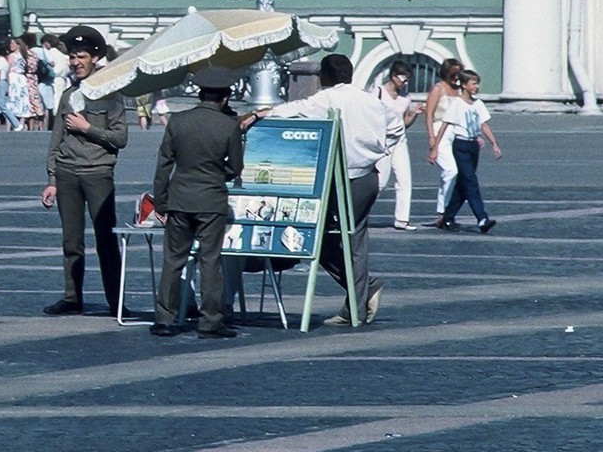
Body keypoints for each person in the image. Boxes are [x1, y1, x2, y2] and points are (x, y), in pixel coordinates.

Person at [250, 53, 401, 327]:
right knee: (355, 239)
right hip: (367, 177)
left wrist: (261, 113)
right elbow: (396, 127)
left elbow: (293, 109)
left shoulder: (327, 98)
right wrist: (377, 148)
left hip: (340, 179)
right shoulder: (370, 100)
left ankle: (362, 293)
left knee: (322, 239)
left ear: (326, 76)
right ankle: (357, 302)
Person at [39, 25, 132, 317]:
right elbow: (56, 139)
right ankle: (71, 297)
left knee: (106, 240)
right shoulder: (68, 95)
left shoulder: (111, 95)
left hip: (97, 173)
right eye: (73, 57)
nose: (76, 62)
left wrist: (88, 128)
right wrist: (52, 179)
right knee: (71, 241)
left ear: (95, 58)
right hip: (67, 173)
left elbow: (121, 138)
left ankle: (116, 301)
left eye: (81, 57)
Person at [149, 66, 245, 340]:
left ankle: (164, 319)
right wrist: (217, 174)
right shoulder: (229, 126)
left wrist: (161, 202)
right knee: (210, 261)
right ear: (226, 97)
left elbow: (163, 165)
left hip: (179, 198)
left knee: (173, 260)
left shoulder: (178, 121)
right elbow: (236, 167)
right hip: (212, 200)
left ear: (199, 94)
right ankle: (210, 321)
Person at [433, 69, 503, 233]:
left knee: (462, 186)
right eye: (473, 83)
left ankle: (447, 218)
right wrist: (434, 147)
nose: (476, 86)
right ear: (464, 85)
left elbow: (483, 124)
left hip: (473, 146)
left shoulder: (478, 104)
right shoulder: (456, 104)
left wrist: (494, 143)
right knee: (471, 182)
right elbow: (445, 125)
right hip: (461, 146)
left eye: (477, 83)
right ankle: (482, 219)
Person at [377, 60, 423, 231]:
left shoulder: (405, 97)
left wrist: (414, 114)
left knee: (404, 180)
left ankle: (402, 219)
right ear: (393, 76)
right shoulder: (378, 92)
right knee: (380, 182)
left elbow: (404, 122)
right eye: (403, 78)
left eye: (408, 79)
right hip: (382, 141)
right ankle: (358, 212)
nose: (406, 82)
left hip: (400, 140)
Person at [424, 58, 463, 225]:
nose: (456, 78)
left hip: (458, 132)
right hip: (441, 131)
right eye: (454, 74)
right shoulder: (438, 89)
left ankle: (447, 212)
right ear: (446, 73)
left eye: (459, 74)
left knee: (455, 174)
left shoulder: (460, 90)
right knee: (450, 171)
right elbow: (429, 114)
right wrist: (431, 137)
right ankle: (442, 210)